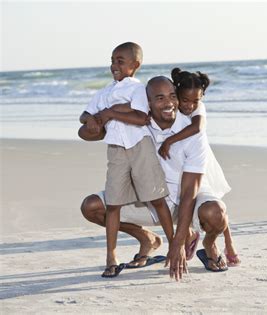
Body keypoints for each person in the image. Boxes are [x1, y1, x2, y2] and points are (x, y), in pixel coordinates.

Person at [81, 76, 231, 280]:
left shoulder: (194, 133)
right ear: (147, 103)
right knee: (92, 207)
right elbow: (88, 133)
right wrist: (95, 120)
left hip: (190, 201)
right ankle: (147, 239)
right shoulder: (137, 123)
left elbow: (189, 192)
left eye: (172, 97)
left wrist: (177, 242)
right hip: (151, 200)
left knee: (216, 213)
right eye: (160, 98)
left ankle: (209, 243)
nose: (168, 103)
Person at [78, 42, 173, 278]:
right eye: (112, 60)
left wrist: (110, 113)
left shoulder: (138, 89)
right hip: (116, 150)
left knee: (157, 198)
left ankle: (175, 246)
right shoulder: (104, 92)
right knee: (113, 204)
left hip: (140, 147)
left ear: (135, 65)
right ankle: (111, 256)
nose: (114, 65)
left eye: (120, 61)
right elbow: (85, 115)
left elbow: (141, 118)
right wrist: (92, 119)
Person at [158, 67, 240, 266]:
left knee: (216, 201)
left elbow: (197, 127)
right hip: (187, 160)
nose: (190, 105)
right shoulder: (173, 108)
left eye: (196, 100)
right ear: (176, 94)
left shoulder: (198, 109)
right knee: (208, 202)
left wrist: (169, 141)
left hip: (203, 160)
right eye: (185, 100)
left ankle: (228, 244)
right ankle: (194, 234)